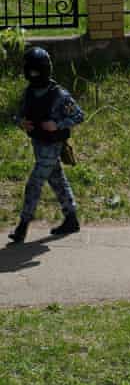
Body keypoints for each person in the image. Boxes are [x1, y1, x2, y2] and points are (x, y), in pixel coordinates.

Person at [8, 47, 83, 243]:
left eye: (36, 70)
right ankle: (71, 218)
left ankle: (23, 226)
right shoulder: (29, 93)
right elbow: (17, 115)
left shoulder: (59, 95)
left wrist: (57, 124)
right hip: (38, 145)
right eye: (30, 70)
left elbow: (78, 115)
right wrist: (21, 122)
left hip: (52, 146)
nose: (33, 74)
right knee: (57, 180)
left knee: (34, 184)